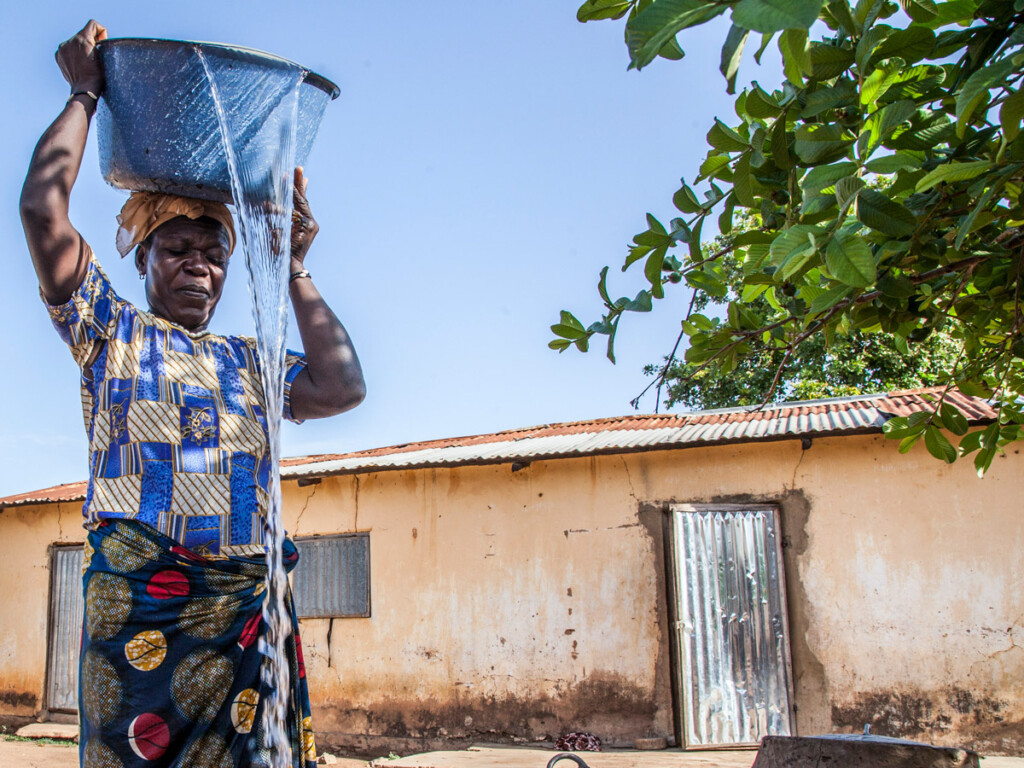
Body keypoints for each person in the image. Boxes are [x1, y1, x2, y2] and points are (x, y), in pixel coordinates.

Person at [19, 20, 365, 768]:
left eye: (215, 254)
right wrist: (85, 93)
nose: (200, 267)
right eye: (178, 249)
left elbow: (341, 385)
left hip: (239, 626)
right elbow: (43, 211)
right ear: (144, 259)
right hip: (138, 631)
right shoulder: (113, 335)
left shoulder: (252, 364)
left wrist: (294, 265)